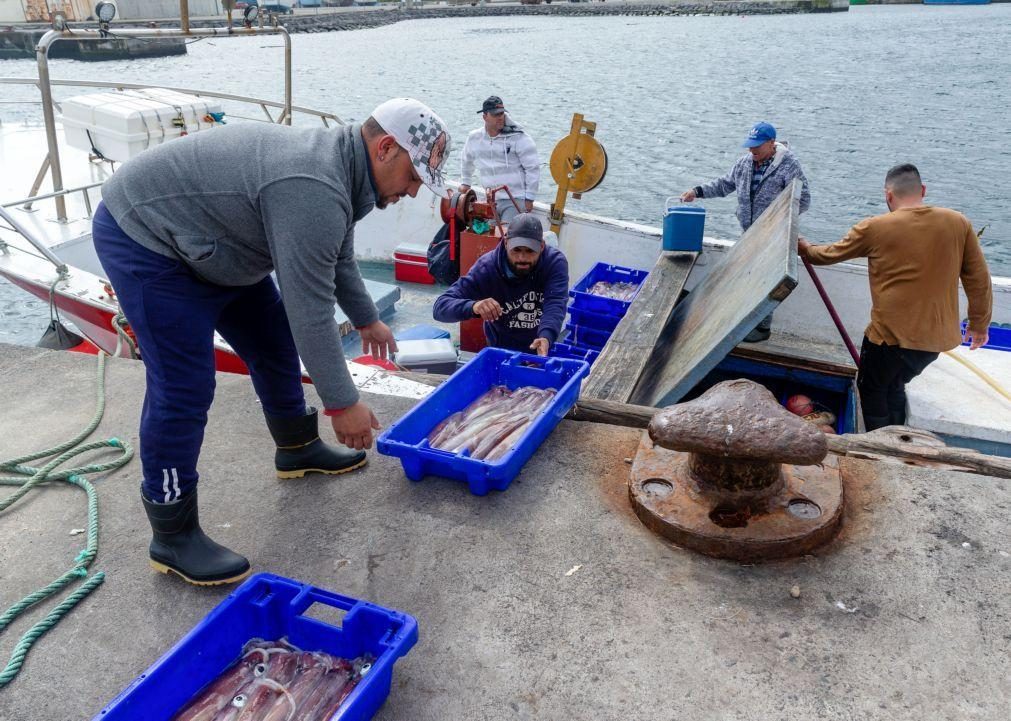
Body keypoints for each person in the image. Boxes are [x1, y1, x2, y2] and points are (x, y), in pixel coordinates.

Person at [92, 98, 451, 586]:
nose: (412, 192)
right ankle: (172, 533)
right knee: (184, 385)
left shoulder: (339, 171)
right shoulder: (312, 185)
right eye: (413, 178)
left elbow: (336, 251)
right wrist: (342, 403)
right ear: (387, 148)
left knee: (273, 341)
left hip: (215, 240)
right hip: (147, 235)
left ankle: (297, 448)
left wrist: (367, 318)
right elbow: (311, 310)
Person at [799, 163, 992, 431]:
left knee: (873, 388)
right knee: (895, 384)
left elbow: (825, 255)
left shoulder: (875, 227)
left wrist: (805, 247)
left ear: (888, 195)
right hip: (932, 344)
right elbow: (979, 279)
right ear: (922, 190)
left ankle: (881, 446)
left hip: (888, 339)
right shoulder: (958, 222)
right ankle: (899, 439)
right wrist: (979, 324)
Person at [681, 121, 811, 342]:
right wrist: (697, 191)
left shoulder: (789, 166)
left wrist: (779, 220)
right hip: (749, 233)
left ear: (772, 143)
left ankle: (762, 328)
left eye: (757, 146)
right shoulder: (744, 164)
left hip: (773, 235)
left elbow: (804, 199)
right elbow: (724, 185)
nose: (752, 150)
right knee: (748, 279)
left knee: (767, 281)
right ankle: (746, 323)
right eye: (750, 145)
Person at [433, 213, 567, 355]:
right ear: (506, 243)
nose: (522, 258)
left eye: (530, 251)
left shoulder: (555, 263)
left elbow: (555, 302)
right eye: (516, 250)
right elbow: (440, 307)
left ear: (541, 246)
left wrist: (546, 336)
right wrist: (474, 306)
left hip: (542, 345)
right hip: (501, 349)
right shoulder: (487, 268)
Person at [459, 95, 540, 223]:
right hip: (491, 201)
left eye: (502, 113)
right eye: (496, 114)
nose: (500, 117)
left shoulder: (519, 137)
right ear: (485, 117)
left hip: (515, 200)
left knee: (505, 235)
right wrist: (466, 182)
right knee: (486, 235)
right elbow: (466, 160)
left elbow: (533, 168)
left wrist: (529, 198)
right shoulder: (474, 138)